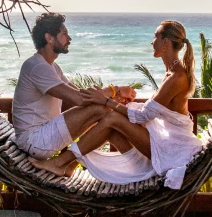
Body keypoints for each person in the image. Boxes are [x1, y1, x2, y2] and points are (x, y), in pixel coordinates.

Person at [28, 20, 204, 189]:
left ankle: (60, 162)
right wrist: (117, 103)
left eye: (155, 37)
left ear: (165, 42)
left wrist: (107, 100)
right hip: (163, 141)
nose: (152, 42)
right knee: (109, 123)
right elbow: (152, 110)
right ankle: (69, 165)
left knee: (111, 117)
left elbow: (144, 116)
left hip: (171, 149)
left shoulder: (177, 77)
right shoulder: (171, 73)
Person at [13, 13, 137, 165]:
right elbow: (80, 99)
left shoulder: (51, 67)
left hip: (43, 136)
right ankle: (135, 161)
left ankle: (134, 162)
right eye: (64, 34)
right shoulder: (37, 67)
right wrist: (115, 89)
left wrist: (112, 98)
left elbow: (81, 94)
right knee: (100, 109)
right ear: (49, 38)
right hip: (35, 140)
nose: (69, 39)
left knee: (107, 120)